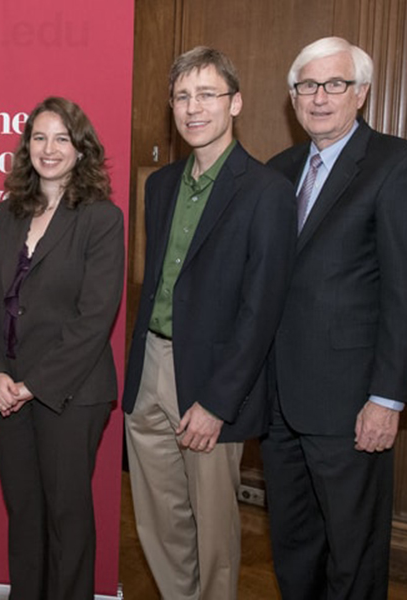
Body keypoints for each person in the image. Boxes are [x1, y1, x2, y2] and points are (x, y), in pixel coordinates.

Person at [122, 47, 297, 600]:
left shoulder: (266, 191)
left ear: (235, 103)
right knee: (158, 517)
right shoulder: (161, 184)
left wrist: (219, 402)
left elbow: (261, 308)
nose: (192, 108)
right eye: (181, 96)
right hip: (149, 366)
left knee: (215, 530)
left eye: (206, 94)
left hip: (211, 381)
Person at [261, 36, 407, 600]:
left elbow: (402, 291)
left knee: (354, 554)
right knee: (294, 546)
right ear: (293, 97)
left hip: (351, 407)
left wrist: (387, 399)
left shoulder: (393, 165)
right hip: (279, 404)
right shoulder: (281, 169)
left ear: (362, 93)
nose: (319, 97)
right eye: (307, 85)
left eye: (335, 84)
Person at [0, 96, 124, 599]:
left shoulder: (101, 218)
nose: (49, 148)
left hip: (71, 393)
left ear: (81, 150)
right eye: (39, 137)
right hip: (6, 390)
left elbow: (94, 319)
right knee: (25, 514)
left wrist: (34, 385)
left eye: (62, 138)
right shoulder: (5, 214)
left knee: (66, 517)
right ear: (26, 147)